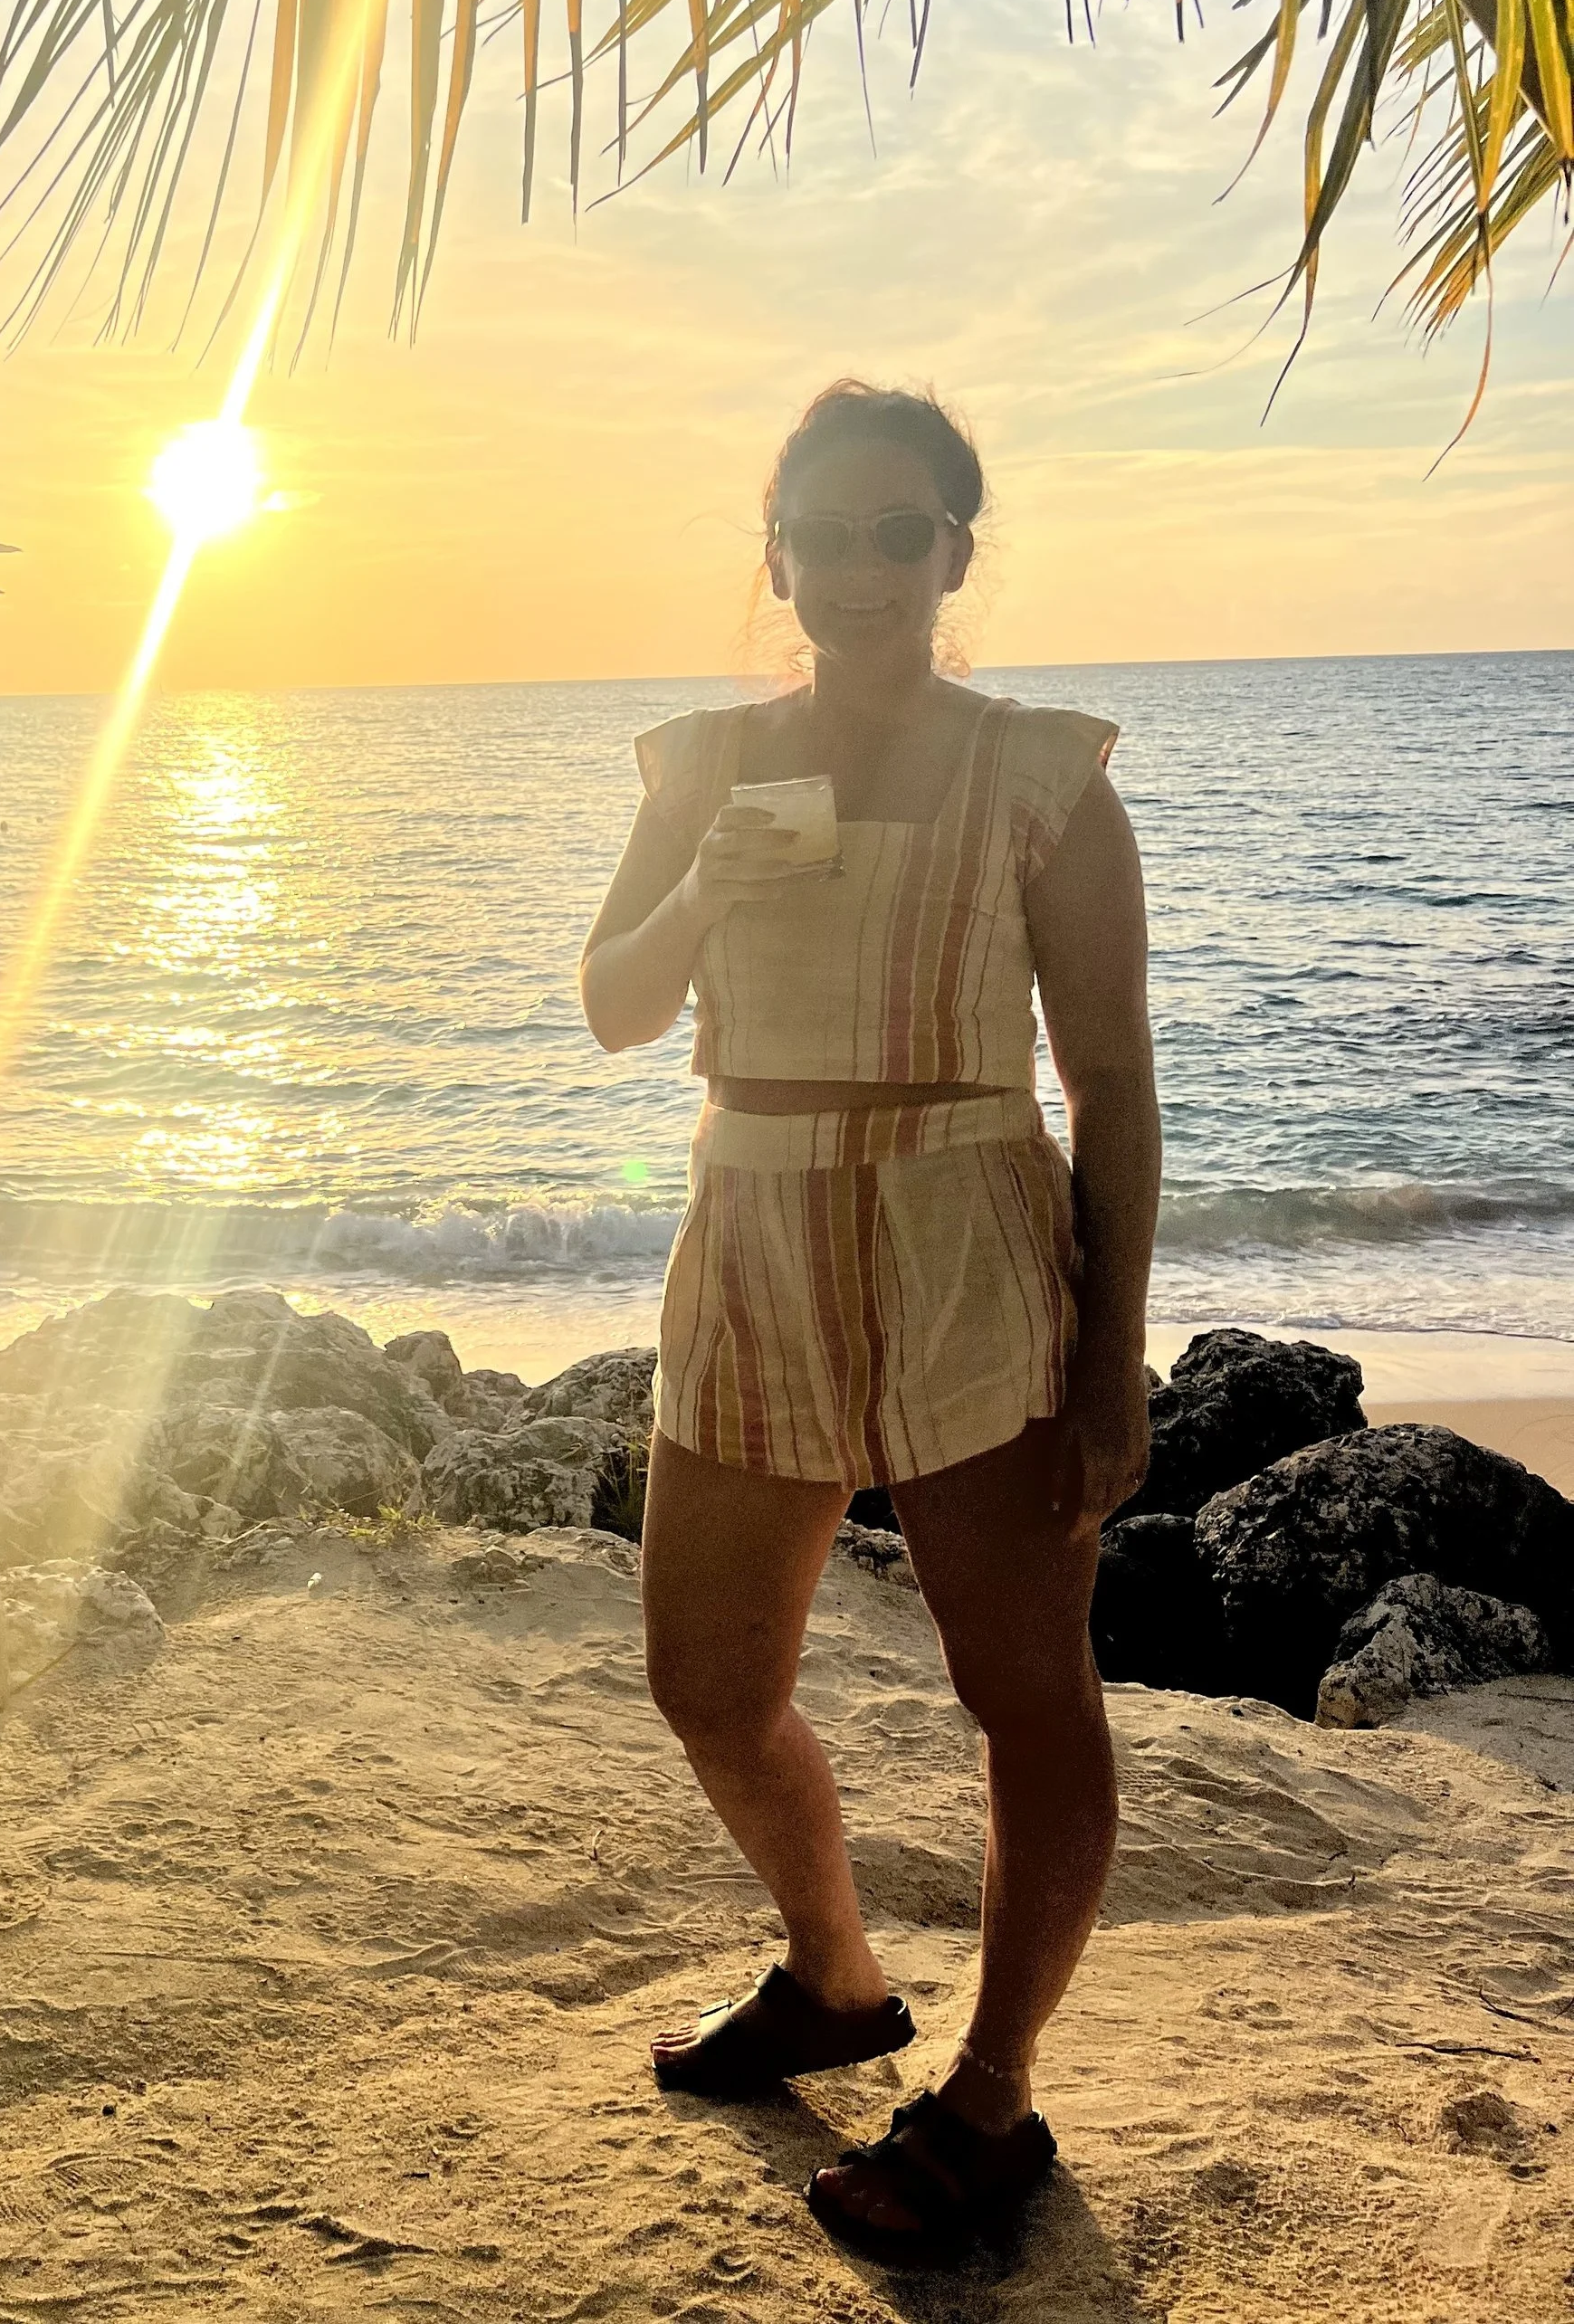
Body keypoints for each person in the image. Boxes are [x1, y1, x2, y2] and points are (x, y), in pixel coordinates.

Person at [579, 381, 1159, 2270]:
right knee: (705, 1682)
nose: (851, 569)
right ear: (775, 554)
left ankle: (989, 2093)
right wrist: (697, 887)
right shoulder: (695, 769)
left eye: (892, 533)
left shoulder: (1043, 777)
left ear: (949, 555)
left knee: (1021, 1694)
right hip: (748, 1234)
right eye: (817, 535)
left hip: (968, 1243)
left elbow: (1112, 1083)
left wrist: (1105, 1361)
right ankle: (831, 1980)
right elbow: (608, 1006)